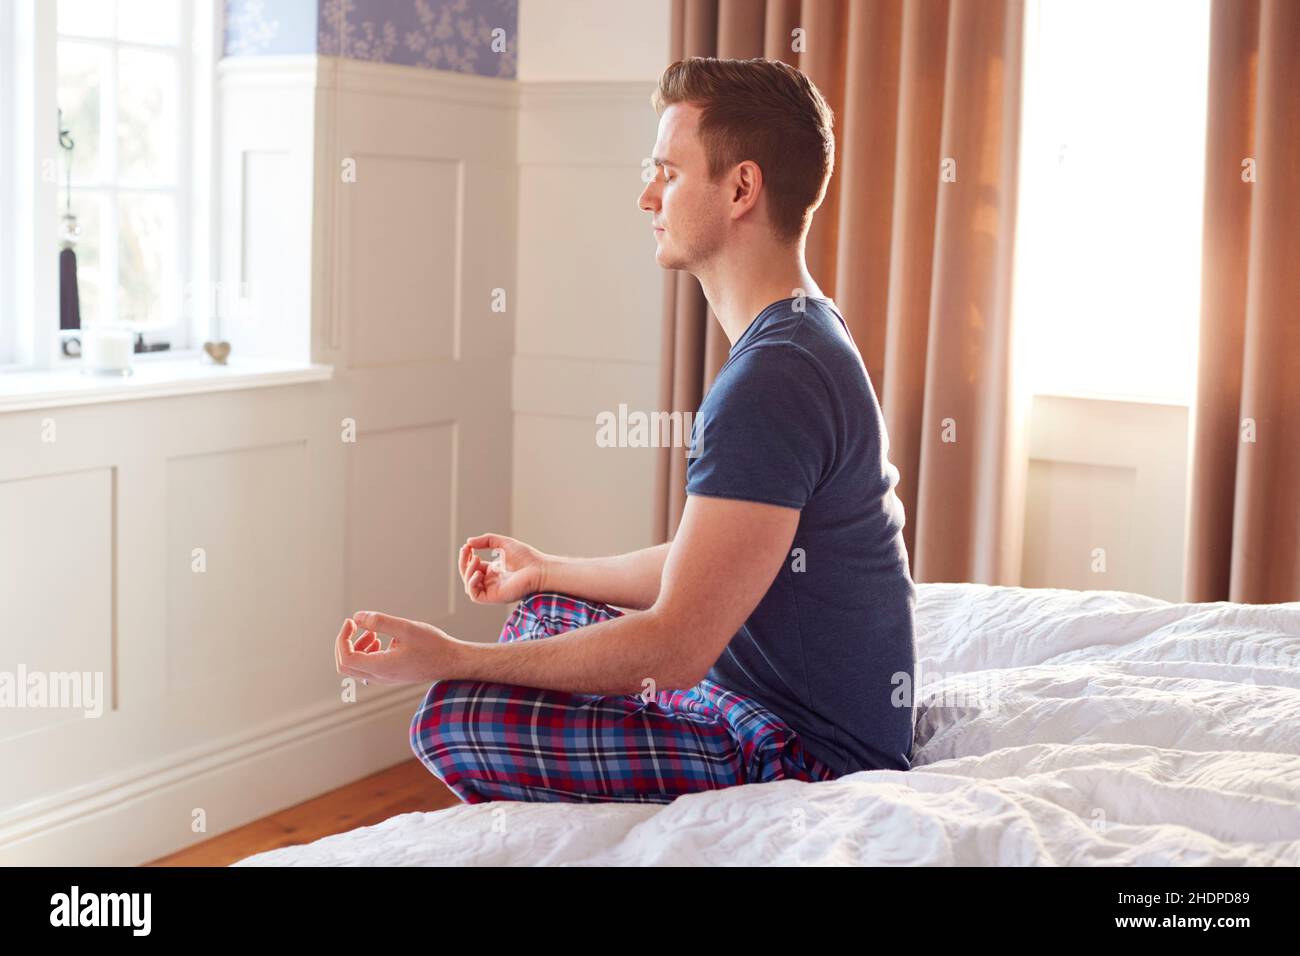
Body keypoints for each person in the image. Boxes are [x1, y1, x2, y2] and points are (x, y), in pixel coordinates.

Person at [335, 56, 917, 804]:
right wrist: (544, 568)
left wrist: (452, 656)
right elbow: (709, 563)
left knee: (454, 718)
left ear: (742, 188)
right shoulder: (804, 331)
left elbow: (675, 646)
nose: (647, 195)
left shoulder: (774, 379)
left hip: (802, 755)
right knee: (541, 609)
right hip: (769, 704)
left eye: (668, 174)